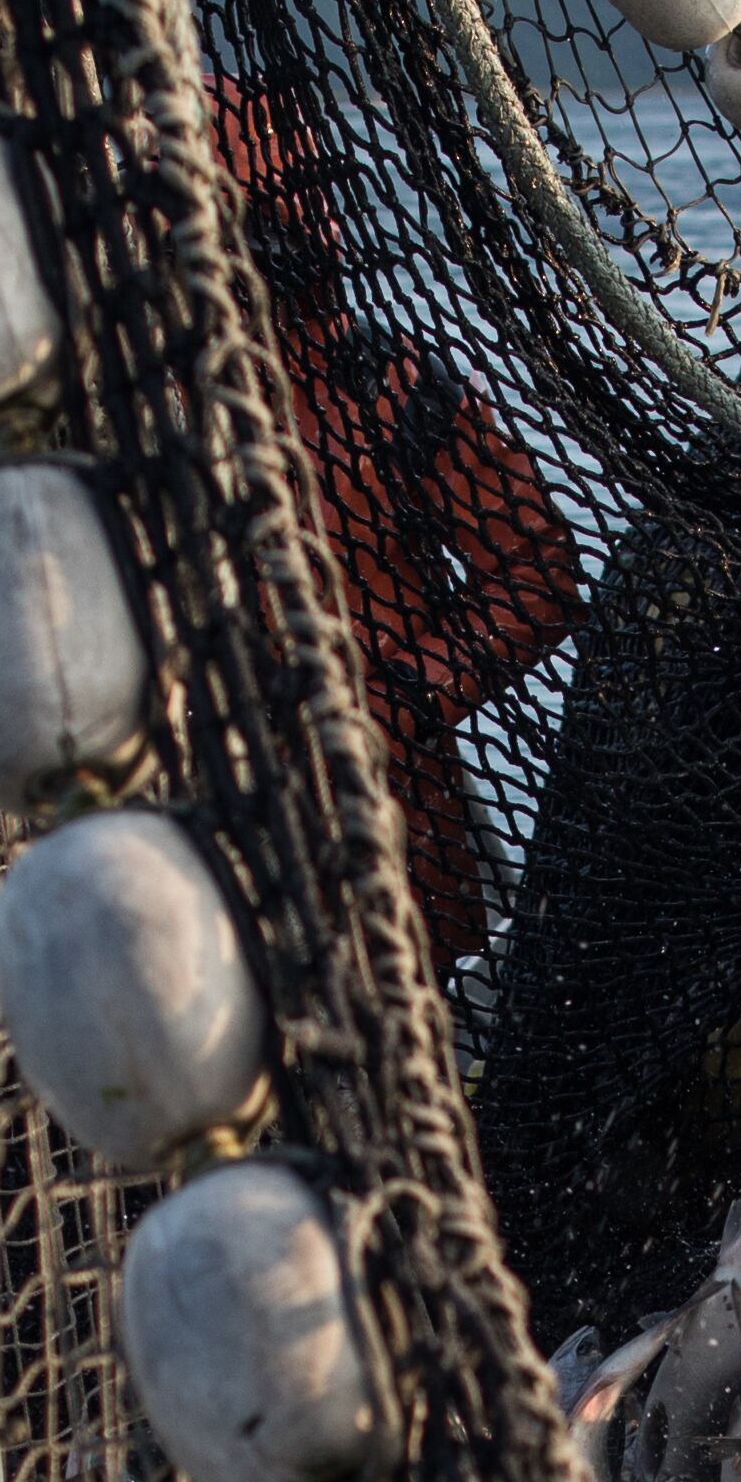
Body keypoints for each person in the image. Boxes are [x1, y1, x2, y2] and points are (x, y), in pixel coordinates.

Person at [202, 77, 586, 963]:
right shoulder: (120, 423)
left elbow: (541, 572)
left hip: (396, 843)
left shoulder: (391, 386)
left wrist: (397, 701)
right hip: (198, 869)